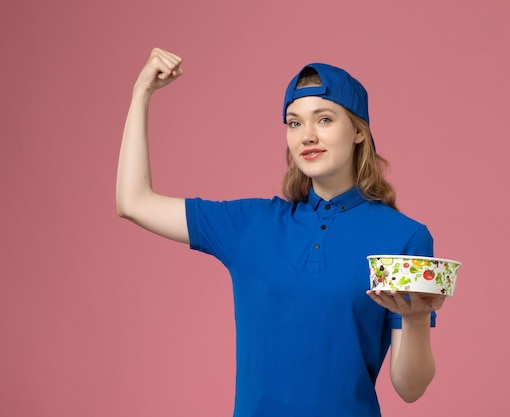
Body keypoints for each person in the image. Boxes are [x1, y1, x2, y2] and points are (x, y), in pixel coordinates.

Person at [116, 48, 446, 417]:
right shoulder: (251, 225)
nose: (307, 135)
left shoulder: (403, 239)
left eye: (324, 119)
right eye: (294, 123)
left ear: (357, 131)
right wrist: (140, 93)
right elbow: (133, 202)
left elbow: (410, 388)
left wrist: (416, 319)